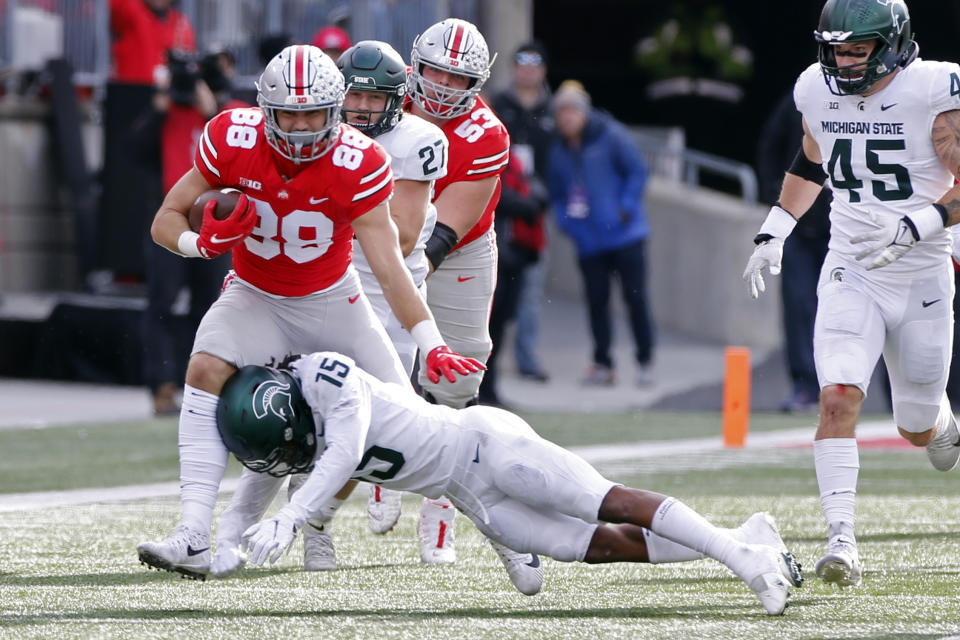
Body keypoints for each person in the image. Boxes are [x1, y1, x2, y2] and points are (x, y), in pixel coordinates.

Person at [135, 44, 482, 581]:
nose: (299, 127)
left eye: (312, 113)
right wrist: (197, 245)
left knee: (414, 427)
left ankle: (496, 521)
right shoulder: (233, 136)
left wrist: (431, 341)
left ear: (334, 110)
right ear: (265, 110)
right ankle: (192, 533)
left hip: (331, 302)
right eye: (288, 113)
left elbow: (390, 266)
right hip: (257, 293)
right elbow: (165, 217)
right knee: (204, 369)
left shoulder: (360, 161)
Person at [207, 351, 804, 616]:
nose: (291, 458)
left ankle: (744, 563)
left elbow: (342, 454)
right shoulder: (294, 422)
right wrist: (227, 538)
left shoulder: (328, 377)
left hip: (487, 447)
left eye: (287, 446)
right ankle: (747, 538)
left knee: (607, 500)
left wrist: (292, 518)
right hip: (472, 497)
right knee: (595, 546)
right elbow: (266, 475)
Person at [742, 0, 960, 588]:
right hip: (852, 266)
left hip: (921, 272)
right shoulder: (816, 86)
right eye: (835, 48)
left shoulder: (933, 89)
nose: (841, 61)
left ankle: (939, 423)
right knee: (838, 395)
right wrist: (777, 227)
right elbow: (813, 157)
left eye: (856, 50)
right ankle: (842, 541)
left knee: (914, 424)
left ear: (891, 45)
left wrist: (920, 224)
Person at [277, 39, 450, 568]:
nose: (362, 108)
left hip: (390, 297)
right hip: (324, 291)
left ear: (398, 100)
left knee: (379, 423)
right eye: (353, 95)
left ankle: (327, 514)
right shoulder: (310, 137)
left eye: (376, 99)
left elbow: (398, 240)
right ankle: (308, 525)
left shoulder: (418, 140)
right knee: (310, 422)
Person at [404, 18, 513, 564]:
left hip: (458, 245)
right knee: (380, 364)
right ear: (414, 66)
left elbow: (447, 229)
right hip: (381, 235)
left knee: (459, 370)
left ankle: (438, 504)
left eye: (457, 78)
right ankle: (357, 488)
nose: (444, 86)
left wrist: (411, 270)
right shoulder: (379, 100)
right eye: (435, 73)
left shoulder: (485, 132)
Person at [131, 48, 242, 415]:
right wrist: (160, 108)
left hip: (217, 220)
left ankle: (202, 384)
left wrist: (211, 109)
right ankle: (161, 385)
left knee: (210, 305)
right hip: (172, 219)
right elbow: (133, 151)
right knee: (161, 303)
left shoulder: (229, 117)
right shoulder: (167, 113)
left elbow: (241, 157)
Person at [547, 80, 655, 387]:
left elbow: (637, 171)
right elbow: (557, 193)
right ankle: (603, 363)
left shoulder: (612, 135)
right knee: (596, 302)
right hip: (589, 242)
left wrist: (626, 206)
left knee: (636, 300)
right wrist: (568, 224)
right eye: (561, 112)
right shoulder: (559, 151)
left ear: (583, 112)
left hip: (626, 236)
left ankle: (645, 360)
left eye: (570, 111)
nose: (565, 118)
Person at [756, 90, 832, 414]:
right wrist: (776, 200)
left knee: (847, 305)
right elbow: (771, 147)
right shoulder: (800, 99)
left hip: (846, 228)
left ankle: (843, 386)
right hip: (800, 226)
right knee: (799, 302)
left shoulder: (871, 105)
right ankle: (805, 384)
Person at [487, 41, 555, 388]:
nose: (528, 70)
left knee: (530, 289)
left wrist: (547, 195)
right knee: (494, 293)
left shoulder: (551, 110)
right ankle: (488, 374)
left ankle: (525, 357)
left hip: (535, 209)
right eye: (522, 63)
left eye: (535, 63)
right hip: (502, 204)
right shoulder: (499, 104)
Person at [110, 0, 195, 85]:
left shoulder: (181, 22)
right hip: (133, 91)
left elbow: (189, 62)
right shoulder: (131, 10)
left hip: (167, 94)